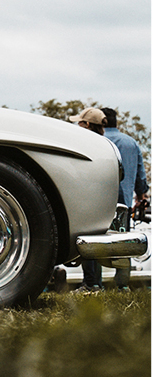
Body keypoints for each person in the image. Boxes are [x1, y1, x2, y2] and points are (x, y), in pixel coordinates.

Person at [101, 107, 149, 291]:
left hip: (101, 200)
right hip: (125, 201)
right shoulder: (131, 143)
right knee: (123, 239)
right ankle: (122, 284)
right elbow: (141, 177)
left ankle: (94, 282)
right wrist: (141, 195)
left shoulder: (99, 141)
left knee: (96, 237)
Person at [69, 107, 107, 291]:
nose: (77, 125)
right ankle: (94, 283)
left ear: (88, 124)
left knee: (87, 242)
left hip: (89, 198)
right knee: (95, 242)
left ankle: (91, 283)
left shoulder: (89, 144)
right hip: (100, 198)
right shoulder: (105, 144)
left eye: (80, 122)